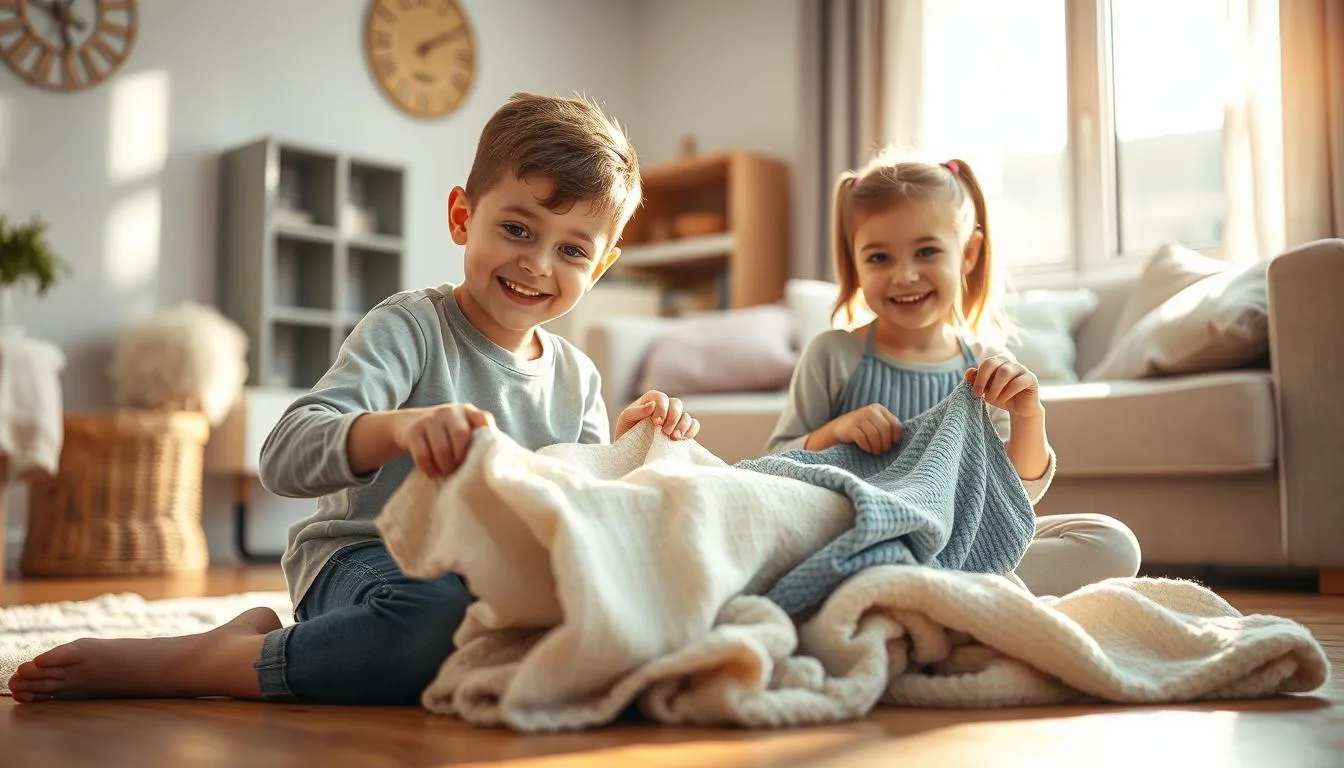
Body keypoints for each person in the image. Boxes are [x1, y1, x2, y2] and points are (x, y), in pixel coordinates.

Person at [9, 92, 701, 705]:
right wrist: (398, 429)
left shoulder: (578, 377)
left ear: (601, 266)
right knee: (435, 621)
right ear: (462, 216)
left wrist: (624, 452)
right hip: (365, 558)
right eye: (516, 229)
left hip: (487, 580)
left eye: (573, 251)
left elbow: (577, 515)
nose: (537, 263)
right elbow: (284, 455)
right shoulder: (411, 328)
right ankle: (199, 664)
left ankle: (274, 644)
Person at [765, 151, 1140, 597]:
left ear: (968, 253)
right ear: (855, 263)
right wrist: (835, 432)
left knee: (1112, 541)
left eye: (926, 252)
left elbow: (1017, 495)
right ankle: (953, 590)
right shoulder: (832, 354)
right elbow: (774, 467)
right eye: (879, 258)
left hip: (967, 536)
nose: (905, 275)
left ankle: (920, 587)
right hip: (863, 528)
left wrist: (1028, 416)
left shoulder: (986, 365)